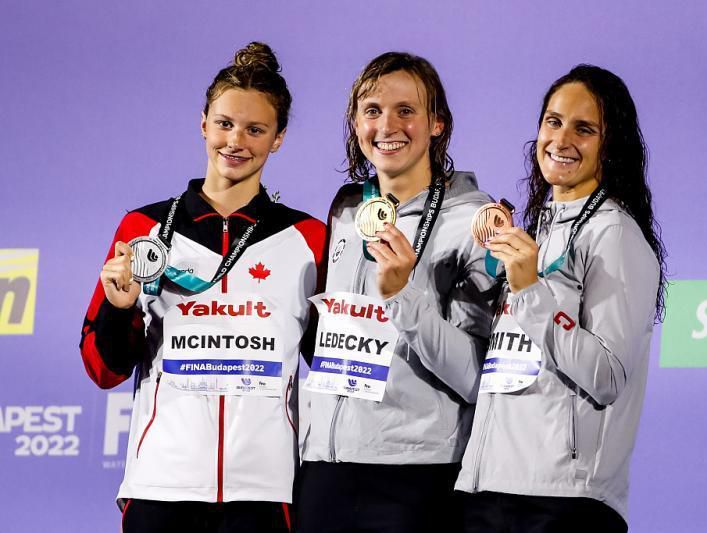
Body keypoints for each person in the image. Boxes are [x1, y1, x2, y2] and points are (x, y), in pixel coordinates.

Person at [79, 42, 325, 533]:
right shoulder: (143, 227)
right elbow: (103, 370)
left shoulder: (309, 237)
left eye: (255, 129)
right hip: (160, 490)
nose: (236, 141)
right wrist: (118, 309)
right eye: (225, 124)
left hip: (265, 493)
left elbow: (331, 363)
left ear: (278, 139)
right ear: (203, 123)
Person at [456, 64, 667, 533]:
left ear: (610, 146)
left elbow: (607, 375)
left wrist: (531, 290)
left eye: (584, 128)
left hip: (563, 502)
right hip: (488, 488)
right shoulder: (534, 233)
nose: (562, 138)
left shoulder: (615, 234)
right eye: (553, 121)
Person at [296, 52, 495, 533]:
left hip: (419, 475)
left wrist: (405, 296)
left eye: (406, 110)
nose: (388, 125)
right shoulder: (346, 211)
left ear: (437, 124)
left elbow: (479, 380)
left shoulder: (476, 222)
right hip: (325, 466)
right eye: (372, 110)